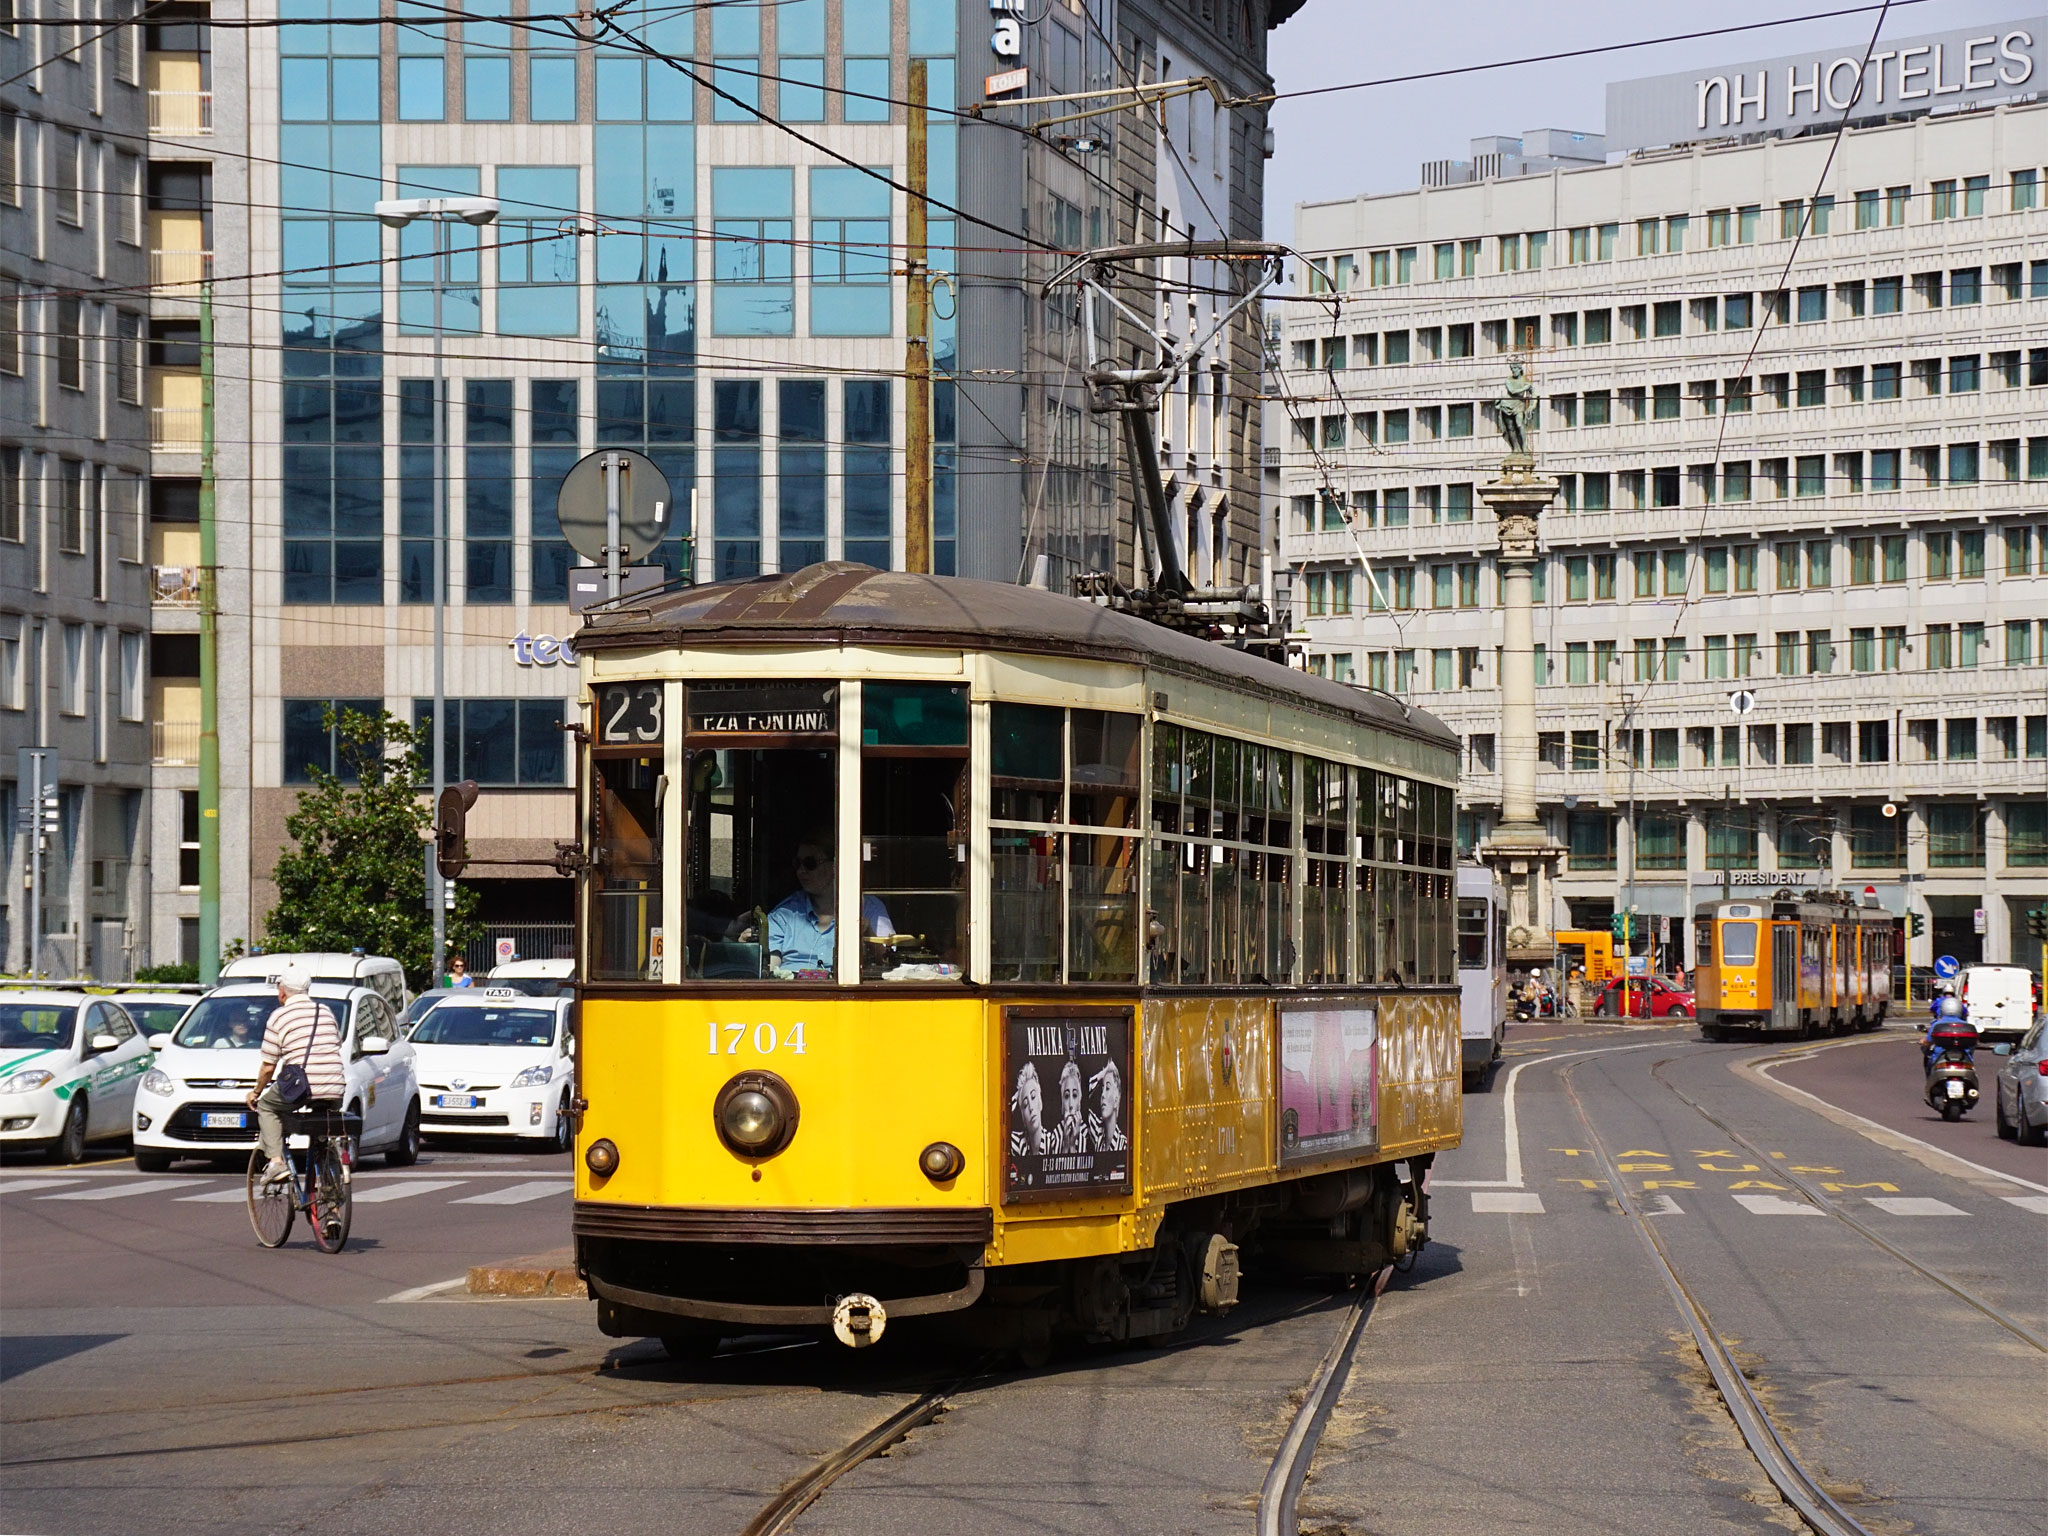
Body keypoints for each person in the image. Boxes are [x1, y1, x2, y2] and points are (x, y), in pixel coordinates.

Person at [244, 966, 347, 1184]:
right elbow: (335, 1043)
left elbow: (268, 1066)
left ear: (282, 992)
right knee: (322, 1135)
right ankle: (332, 1207)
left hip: (303, 1087)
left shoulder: (279, 1017)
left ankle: (276, 1163)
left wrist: (256, 1092)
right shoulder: (325, 1011)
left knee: (267, 1107)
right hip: (335, 1087)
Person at [765, 835, 893, 977]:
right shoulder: (785, 913)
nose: (800, 871)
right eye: (797, 863)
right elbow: (769, 967)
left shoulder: (869, 908)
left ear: (835, 865)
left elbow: (888, 961)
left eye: (810, 863)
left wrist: (868, 933)